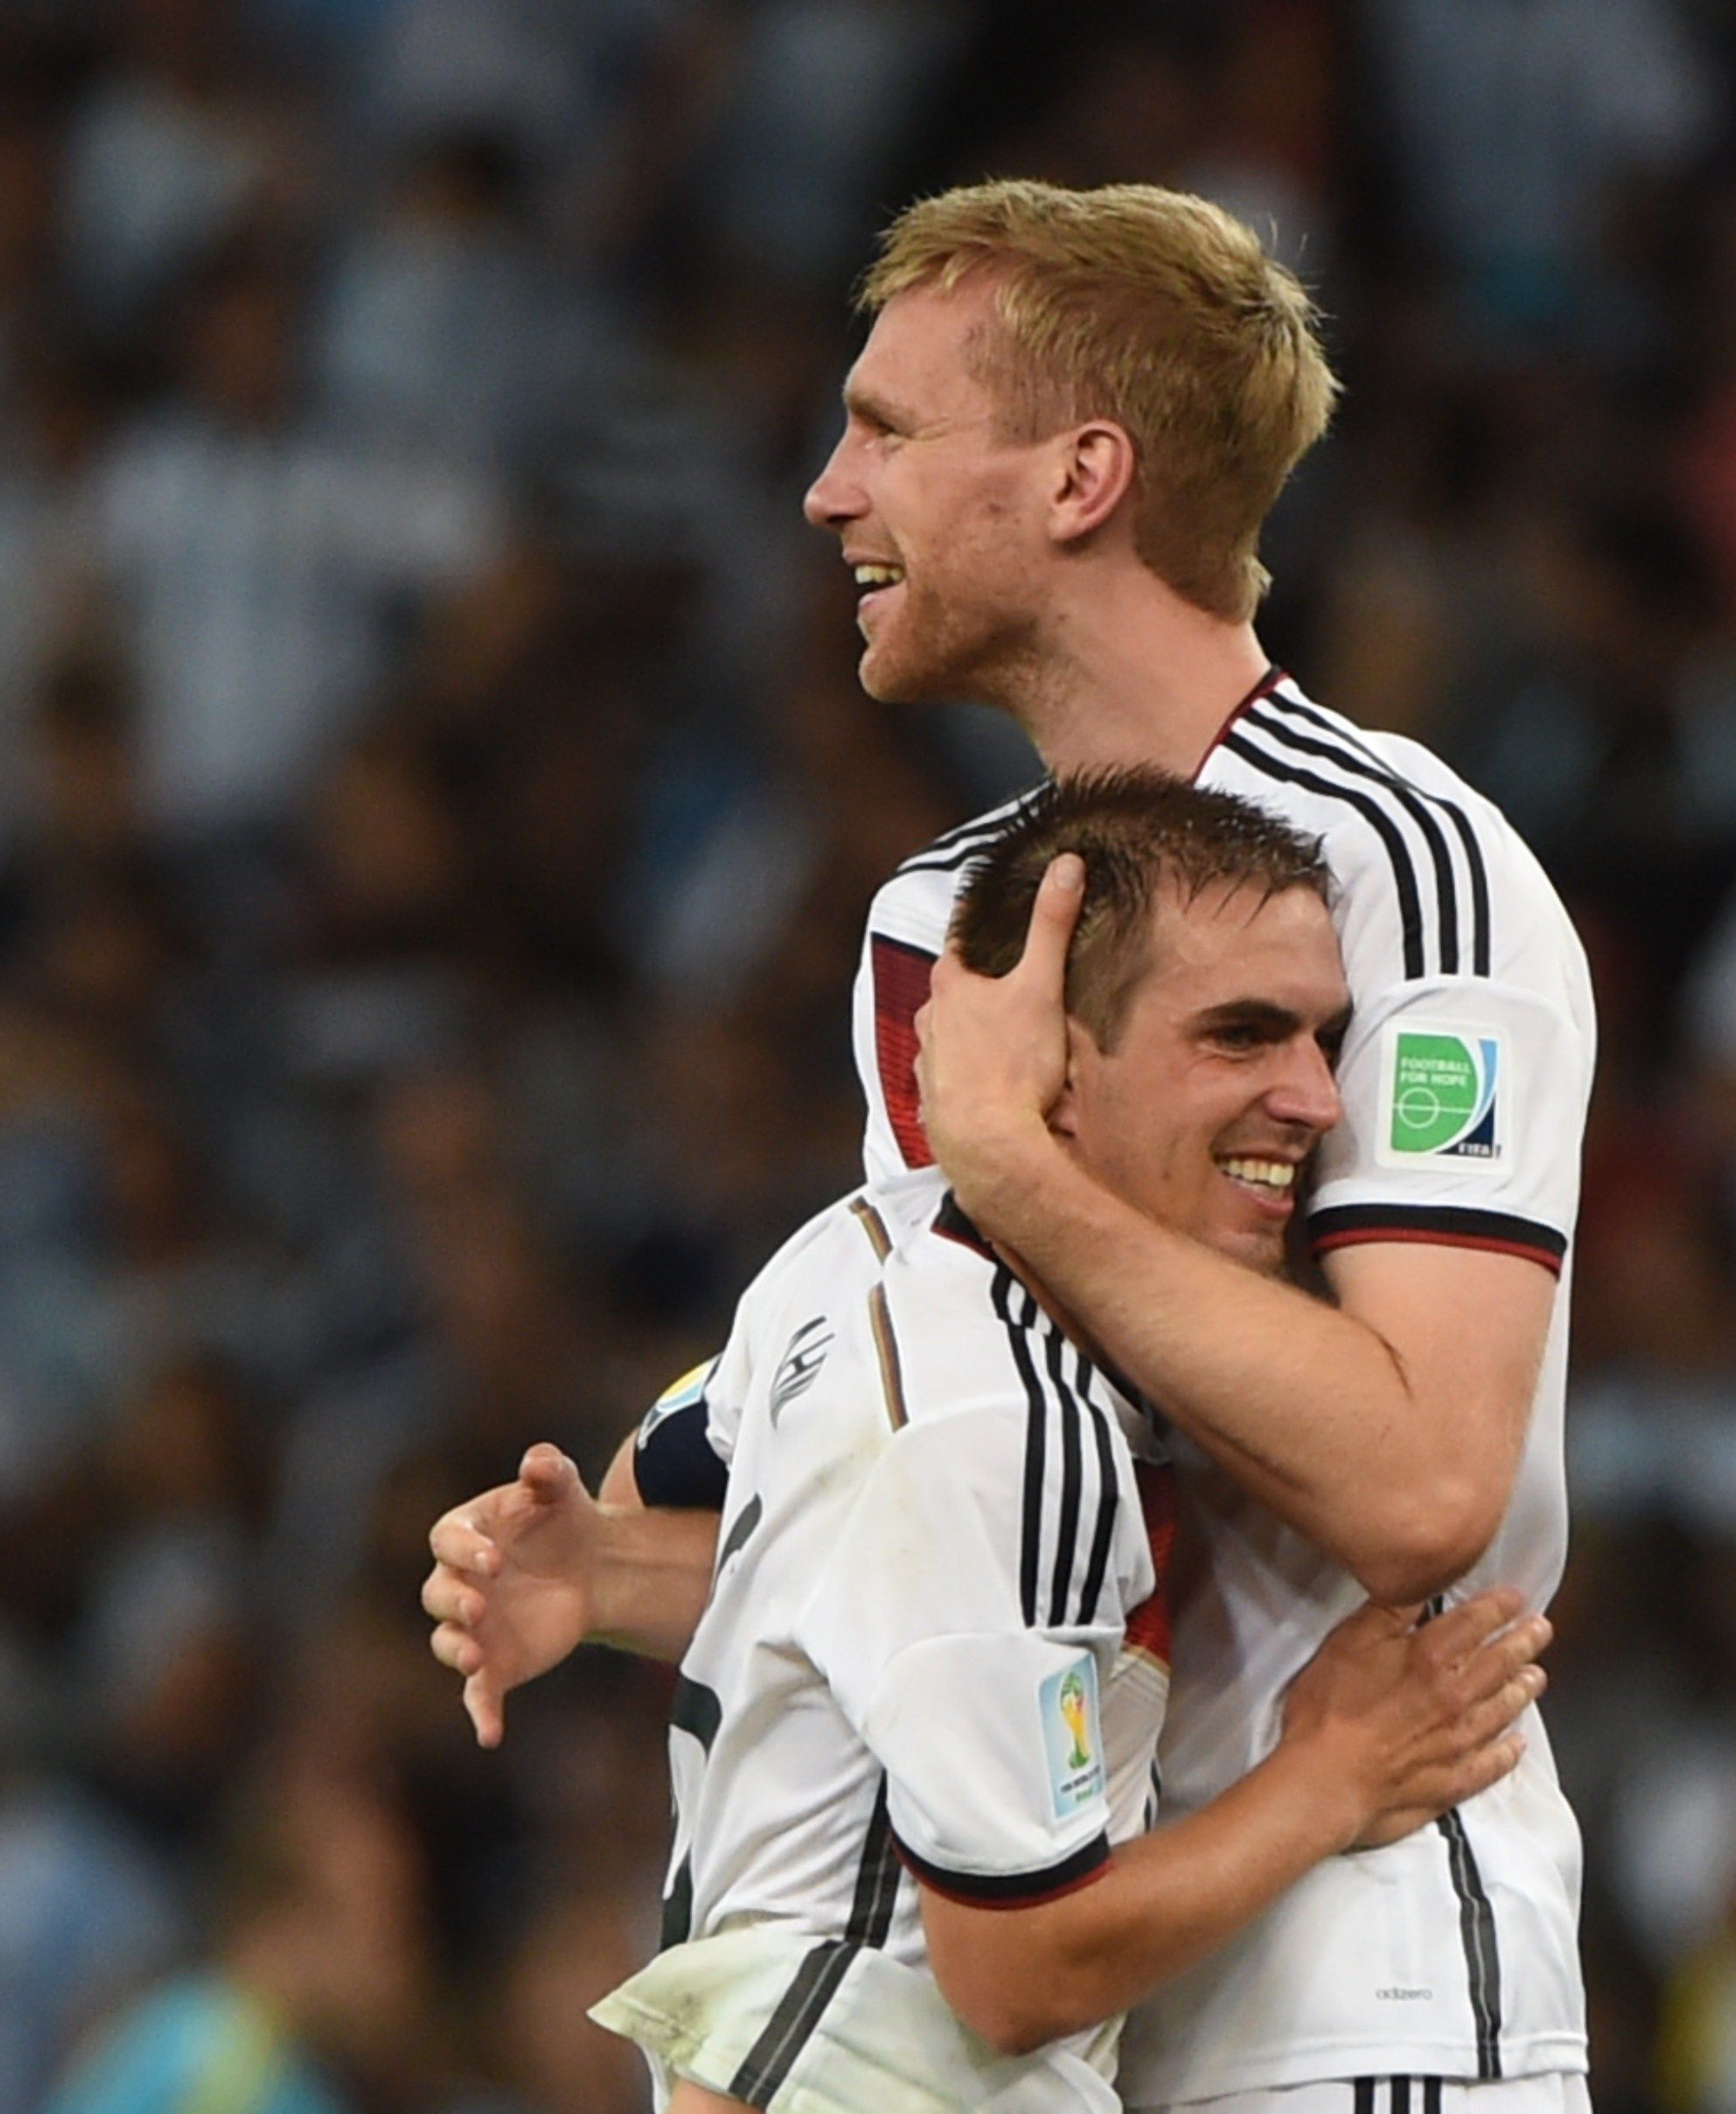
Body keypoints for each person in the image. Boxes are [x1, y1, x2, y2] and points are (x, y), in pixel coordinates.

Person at [432, 178, 1598, 2111]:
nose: (830, 493)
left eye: (887, 429)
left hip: (1360, 1982)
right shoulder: (941, 919)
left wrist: (1017, 1168)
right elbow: (992, 1470)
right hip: (1065, 1988)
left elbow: (1421, 1485)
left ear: (1080, 479)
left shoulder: (1407, 865)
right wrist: (633, 1573)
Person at [445, 777, 1546, 2111]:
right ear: (1058, 1065)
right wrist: (1335, 1774)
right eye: (1241, 1036)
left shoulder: (855, 1252)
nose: (1317, 1099)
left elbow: (685, 1487)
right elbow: (1016, 1968)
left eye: (1324, 1039)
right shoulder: (1010, 1424)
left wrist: (606, 1574)